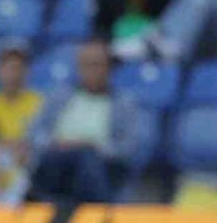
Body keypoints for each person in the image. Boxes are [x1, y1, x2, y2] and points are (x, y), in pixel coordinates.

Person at [28, 41, 151, 203]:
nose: (92, 71)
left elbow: (129, 147)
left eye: (97, 65)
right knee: (51, 161)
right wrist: (54, 143)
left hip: (99, 166)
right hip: (57, 158)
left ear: (109, 69)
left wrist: (95, 148)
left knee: (85, 159)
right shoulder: (58, 96)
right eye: (86, 65)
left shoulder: (124, 104)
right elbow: (34, 132)